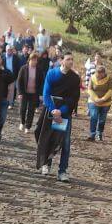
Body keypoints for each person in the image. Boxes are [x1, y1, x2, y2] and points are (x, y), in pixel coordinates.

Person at [35, 52, 81, 182]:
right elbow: (46, 93)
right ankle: (46, 163)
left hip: (64, 114)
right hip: (50, 111)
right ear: (62, 61)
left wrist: (62, 111)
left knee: (64, 142)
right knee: (46, 138)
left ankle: (62, 171)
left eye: (72, 59)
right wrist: (53, 110)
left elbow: (74, 98)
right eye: (68, 59)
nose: (71, 62)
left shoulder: (75, 78)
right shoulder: (52, 73)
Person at [16, 52, 46, 133]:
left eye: (36, 60)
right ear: (29, 60)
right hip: (24, 93)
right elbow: (19, 81)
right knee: (23, 108)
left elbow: (41, 82)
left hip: (34, 93)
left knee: (31, 110)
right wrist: (20, 93)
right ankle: (22, 122)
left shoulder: (39, 70)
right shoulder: (23, 68)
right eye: (33, 60)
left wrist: (40, 94)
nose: (34, 61)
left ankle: (28, 127)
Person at [87, 65, 112, 141]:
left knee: (102, 119)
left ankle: (99, 133)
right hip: (93, 101)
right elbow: (89, 89)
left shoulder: (109, 79)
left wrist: (103, 99)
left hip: (105, 103)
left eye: (101, 75)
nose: (99, 76)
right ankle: (92, 134)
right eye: (98, 74)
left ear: (104, 73)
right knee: (94, 116)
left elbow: (111, 90)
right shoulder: (92, 78)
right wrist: (96, 98)